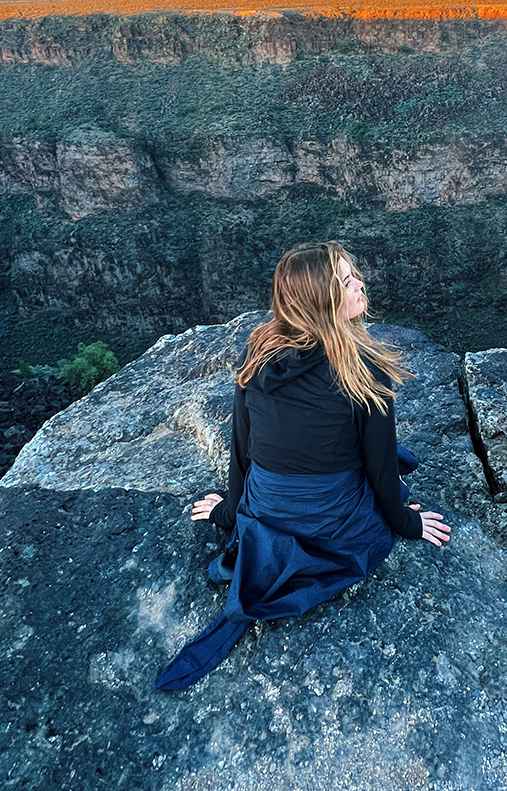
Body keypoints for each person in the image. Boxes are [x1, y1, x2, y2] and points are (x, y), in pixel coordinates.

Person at [155, 241, 450, 691]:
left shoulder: (258, 353)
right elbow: (380, 470)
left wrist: (230, 512)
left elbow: (242, 450)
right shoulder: (363, 370)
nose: (360, 284)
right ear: (322, 302)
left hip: (266, 509)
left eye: (354, 276)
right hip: (332, 519)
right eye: (347, 282)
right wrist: (406, 522)